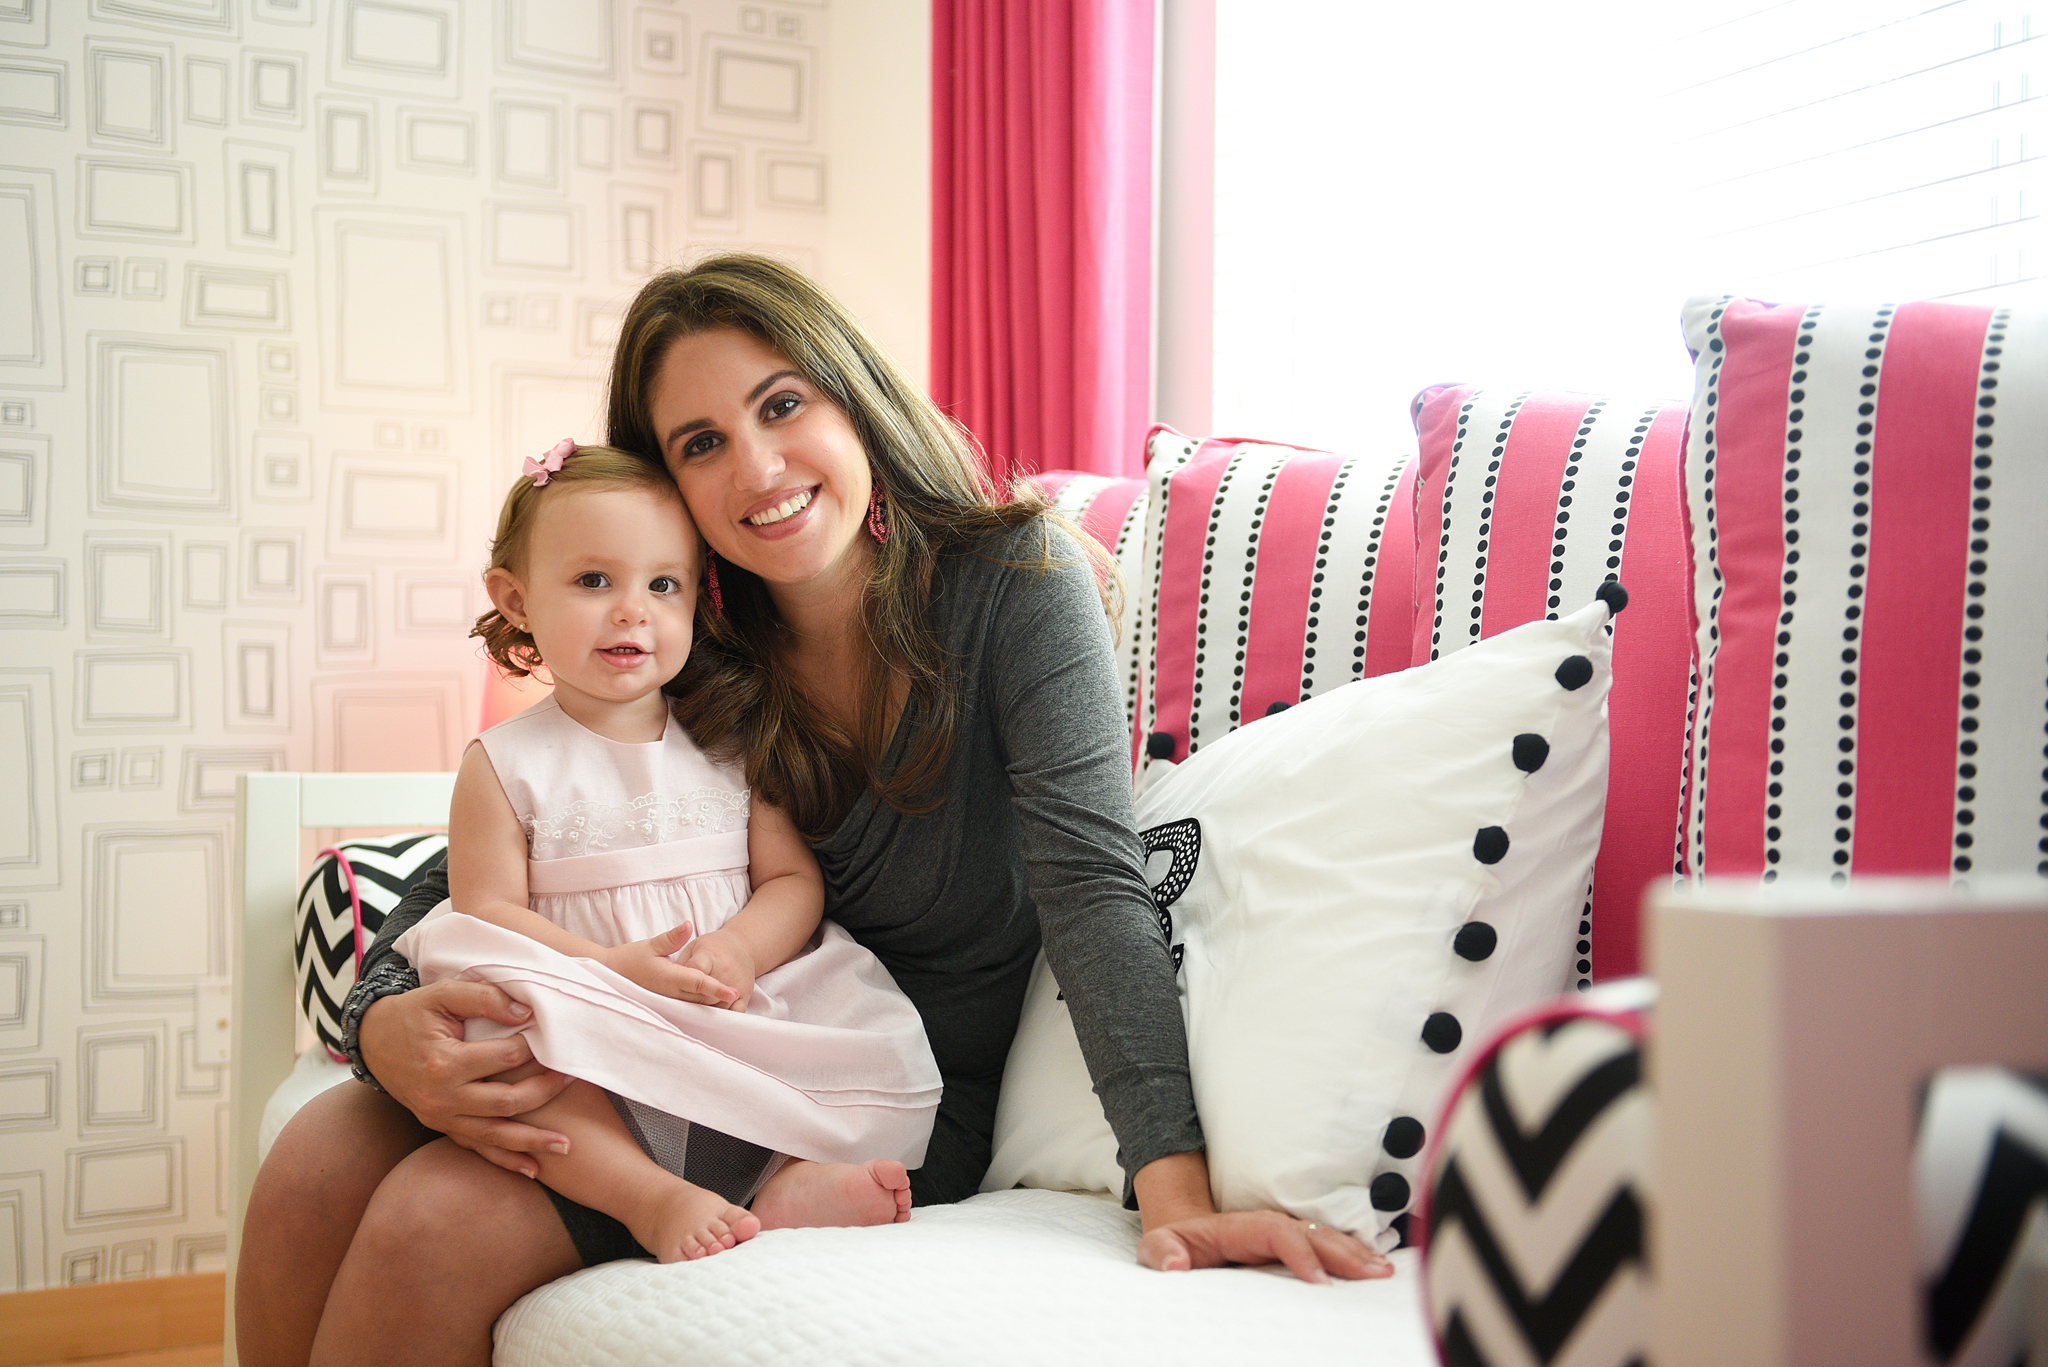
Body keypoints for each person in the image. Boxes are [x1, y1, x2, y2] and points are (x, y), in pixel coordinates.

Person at [238, 254, 1390, 1367]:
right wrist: (382, 1021)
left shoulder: (1016, 585)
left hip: (881, 1083)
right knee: (319, 1152)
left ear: (853, 395)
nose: (755, 466)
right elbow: (472, 879)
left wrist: (1172, 1190)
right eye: (700, 443)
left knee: (436, 1219)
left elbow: (1094, 886)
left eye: (780, 403)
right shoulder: (695, 630)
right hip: (687, 1044)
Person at [392, 441, 940, 1265]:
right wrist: (608, 969)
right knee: (500, 1021)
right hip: (596, 1004)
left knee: (811, 1042)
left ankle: (783, 1174)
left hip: (722, 1000)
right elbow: (487, 914)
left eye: (662, 584)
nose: (631, 611)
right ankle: (645, 1192)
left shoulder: (729, 740)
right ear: (516, 600)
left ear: (696, 601)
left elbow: (792, 879)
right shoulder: (504, 763)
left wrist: (740, 950)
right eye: (592, 581)